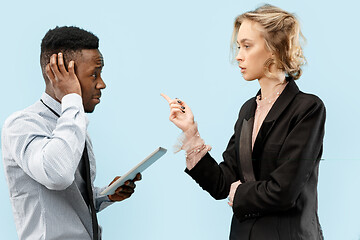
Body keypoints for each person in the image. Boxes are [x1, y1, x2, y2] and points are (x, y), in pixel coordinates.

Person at [161, 4, 325, 240]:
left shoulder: (307, 108)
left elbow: (284, 191)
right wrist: (190, 131)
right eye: (239, 46)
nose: (238, 55)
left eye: (247, 46)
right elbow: (222, 183)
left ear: (274, 49)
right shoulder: (248, 110)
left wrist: (238, 193)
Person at [1, 26, 141, 240]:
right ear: (60, 74)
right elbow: (57, 175)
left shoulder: (72, 123)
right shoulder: (22, 125)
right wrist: (72, 97)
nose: (102, 84)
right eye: (94, 75)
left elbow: (70, 199)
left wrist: (105, 195)